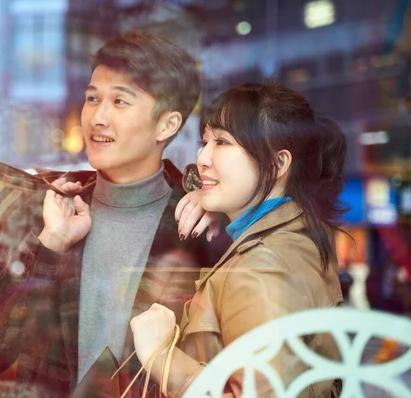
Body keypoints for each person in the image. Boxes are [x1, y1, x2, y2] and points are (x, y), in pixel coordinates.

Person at [0, 31, 226, 396]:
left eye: (120, 102)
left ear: (168, 124)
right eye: (92, 98)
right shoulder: (50, 212)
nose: (98, 116)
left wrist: (212, 202)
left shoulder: (196, 226)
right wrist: (49, 245)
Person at [130, 82, 347, 397]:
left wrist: (161, 357)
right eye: (205, 141)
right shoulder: (300, 232)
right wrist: (215, 203)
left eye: (222, 142)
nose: (203, 157)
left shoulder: (261, 267)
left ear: (277, 164)